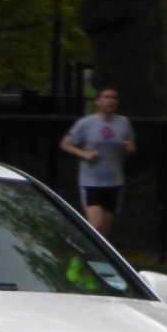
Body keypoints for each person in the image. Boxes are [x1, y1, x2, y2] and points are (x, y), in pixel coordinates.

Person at [59, 86, 136, 236]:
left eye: (114, 98)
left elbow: (131, 147)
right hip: (91, 181)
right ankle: (75, 253)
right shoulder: (86, 123)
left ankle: (89, 258)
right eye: (106, 97)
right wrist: (83, 154)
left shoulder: (123, 123)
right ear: (98, 101)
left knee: (103, 229)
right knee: (96, 223)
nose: (110, 101)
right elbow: (65, 144)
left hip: (114, 181)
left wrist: (130, 147)